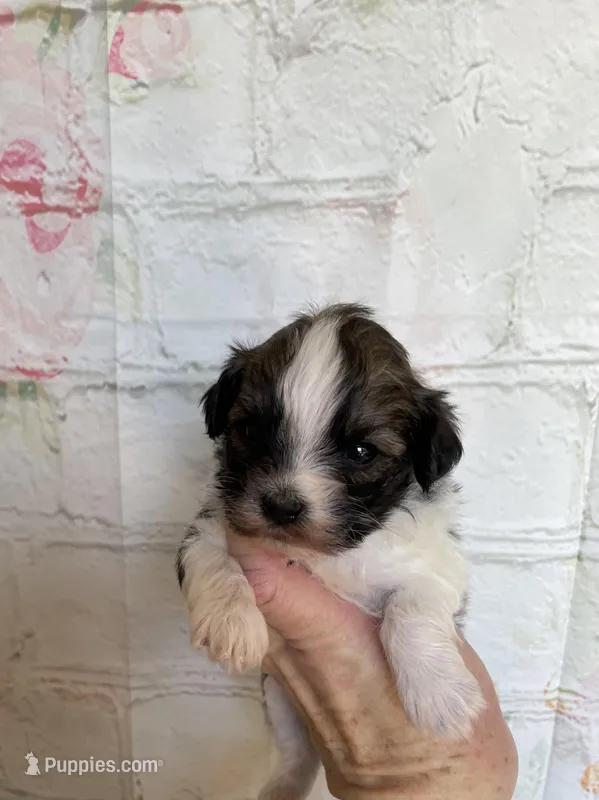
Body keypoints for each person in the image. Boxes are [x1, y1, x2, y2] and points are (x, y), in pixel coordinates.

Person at [229, 535, 519, 800]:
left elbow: (438, 584)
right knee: (276, 690)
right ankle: (296, 763)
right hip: (293, 676)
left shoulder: (411, 540)